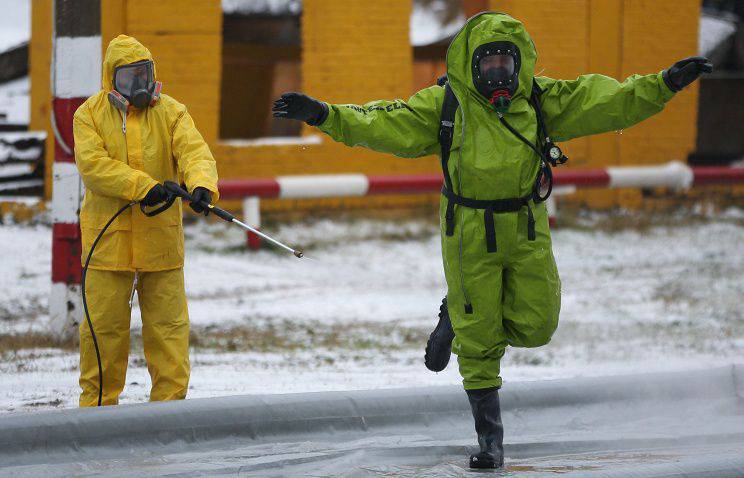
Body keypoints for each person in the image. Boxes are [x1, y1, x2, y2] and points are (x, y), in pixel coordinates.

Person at [272, 12, 711, 469]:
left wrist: (665, 84)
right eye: (488, 64)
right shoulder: (447, 104)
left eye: (506, 62)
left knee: (539, 324)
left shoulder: (541, 100)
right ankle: (491, 441)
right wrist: (323, 114)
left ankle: (456, 318)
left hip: (526, 226)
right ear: (472, 65)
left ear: (520, 65)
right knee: (480, 336)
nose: (497, 73)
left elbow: (611, 102)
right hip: (468, 231)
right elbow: (382, 123)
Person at [73, 35, 219, 406]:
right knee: (102, 331)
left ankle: (169, 414)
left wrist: (201, 185)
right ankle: (97, 415)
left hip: (160, 242)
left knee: (169, 331)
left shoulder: (172, 112)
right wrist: (145, 187)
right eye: (129, 78)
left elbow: (195, 151)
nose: (139, 86)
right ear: (112, 79)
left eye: (145, 75)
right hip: (108, 246)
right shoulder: (88, 114)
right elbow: (94, 168)